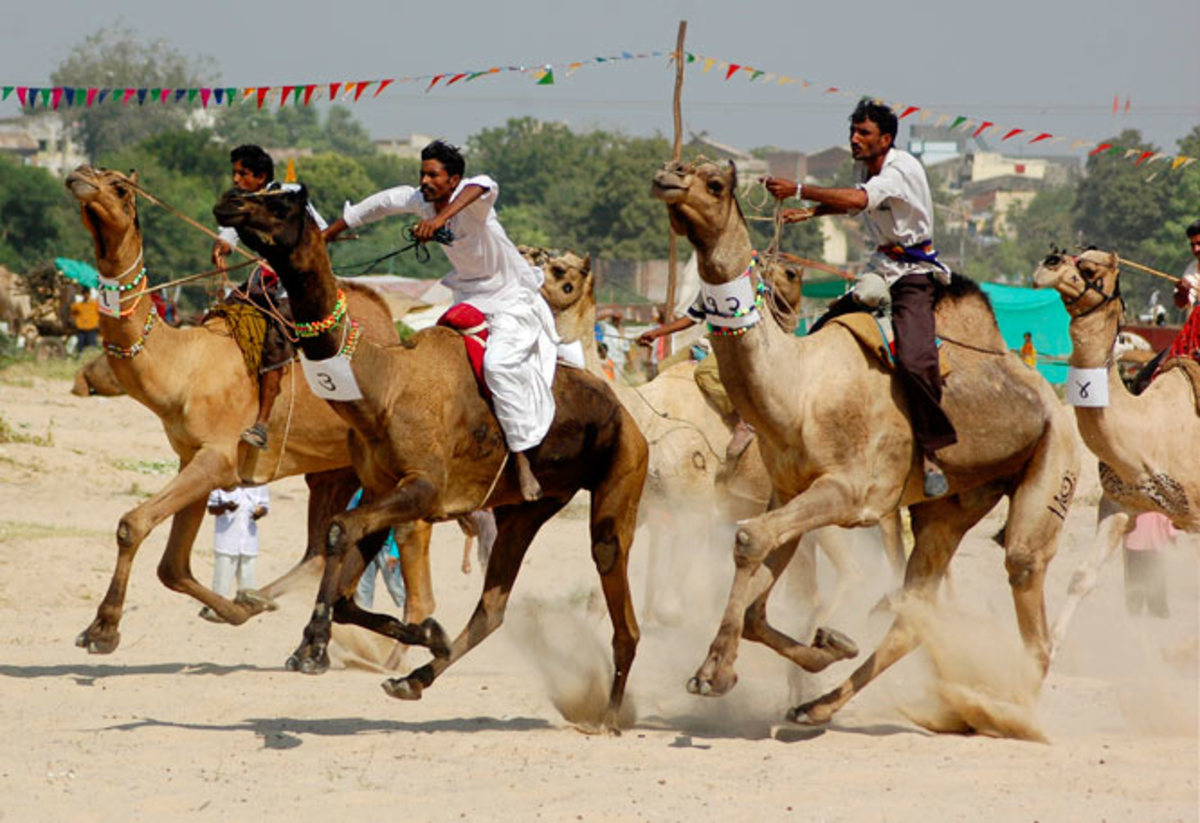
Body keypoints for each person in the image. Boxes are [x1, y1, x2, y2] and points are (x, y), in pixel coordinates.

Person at [323, 140, 558, 501]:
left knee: (496, 365)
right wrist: (328, 234)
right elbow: (382, 203)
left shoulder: (475, 203)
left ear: (453, 180)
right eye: (422, 173)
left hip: (511, 298)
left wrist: (439, 220)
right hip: (468, 296)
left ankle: (522, 458)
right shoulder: (419, 200)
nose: (425, 180)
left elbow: (485, 182)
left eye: (433, 174)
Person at [763, 99, 956, 497]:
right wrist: (812, 213)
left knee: (916, 360)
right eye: (852, 131)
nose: (854, 139)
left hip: (914, 275)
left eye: (863, 133)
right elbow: (854, 200)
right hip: (880, 268)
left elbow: (859, 200)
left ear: (885, 139)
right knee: (817, 333)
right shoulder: (867, 168)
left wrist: (797, 190)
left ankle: (931, 453)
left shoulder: (901, 168)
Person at [213, 145, 328, 451]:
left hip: (295, 287)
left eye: (243, 174)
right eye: (235, 173)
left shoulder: (287, 197)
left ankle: (262, 425)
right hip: (264, 278)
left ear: (261, 176)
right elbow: (230, 231)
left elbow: (321, 231)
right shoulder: (242, 204)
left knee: (275, 342)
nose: (236, 179)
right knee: (225, 314)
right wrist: (222, 246)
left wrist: (289, 262)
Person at [636, 300, 756, 461]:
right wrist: (657, 333)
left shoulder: (749, 281)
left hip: (742, 339)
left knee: (705, 373)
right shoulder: (708, 286)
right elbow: (692, 317)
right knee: (661, 369)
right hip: (716, 337)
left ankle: (746, 419)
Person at [198, 484, 269, 622]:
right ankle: (215, 610)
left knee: (248, 579)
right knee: (222, 577)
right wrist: (226, 507)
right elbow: (212, 508)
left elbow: (264, 505)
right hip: (226, 538)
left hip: (248, 538)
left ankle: (246, 608)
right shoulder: (221, 483)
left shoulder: (259, 484)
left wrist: (259, 512)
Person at [345, 488, 406, 611]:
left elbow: (401, 524)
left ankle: (410, 612)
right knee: (363, 587)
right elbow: (349, 514)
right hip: (365, 546)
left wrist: (395, 552)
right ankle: (364, 615)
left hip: (386, 547)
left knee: (394, 585)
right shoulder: (360, 494)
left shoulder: (391, 494)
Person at [1122, 511, 1173, 618]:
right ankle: (1157, 611)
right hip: (1153, 541)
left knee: (1135, 578)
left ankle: (1135, 611)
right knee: (1155, 576)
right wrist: (1171, 532)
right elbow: (1165, 515)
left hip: (1134, 541)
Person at [69, 289, 100, 355]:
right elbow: (72, 313)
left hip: (91, 327)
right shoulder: (78, 305)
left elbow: (99, 313)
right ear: (82, 295)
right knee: (80, 345)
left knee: (92, 345)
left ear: (89, 294)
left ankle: (92, 358)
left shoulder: (94, 304)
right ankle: (79, 358)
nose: (86, 295)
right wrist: (76, 320)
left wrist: (97, 321)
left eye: (87, 294)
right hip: (81, 328)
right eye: (84, 294)